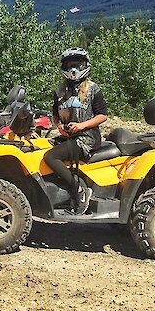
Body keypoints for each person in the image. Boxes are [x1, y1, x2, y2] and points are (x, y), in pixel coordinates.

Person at [43, 47, 108, 214]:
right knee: (42, 147)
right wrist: (59, 127)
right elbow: (55, 115)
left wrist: (81, 126)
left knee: (51, 156)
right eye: (70, 65)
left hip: (87, 138)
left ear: (85, 65)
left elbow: (102, 116)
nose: (73, 69)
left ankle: (78, 189)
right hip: (69, 137)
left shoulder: (93, 89)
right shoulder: (59, 91)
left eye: (77, 64)